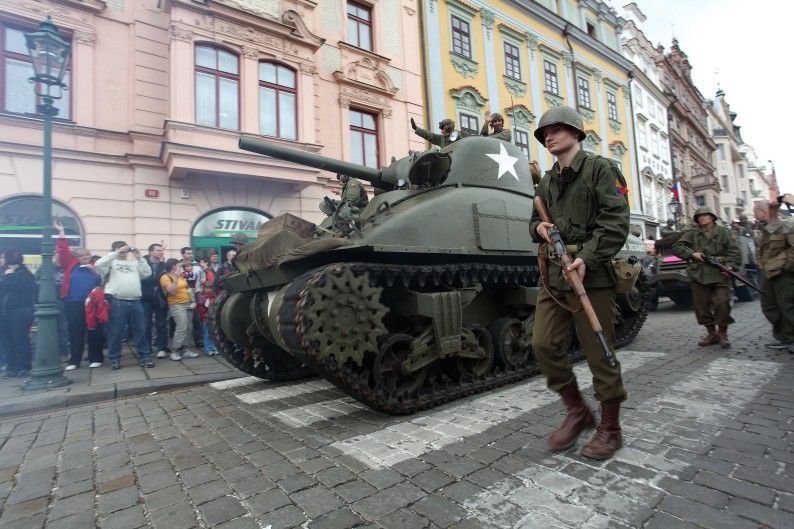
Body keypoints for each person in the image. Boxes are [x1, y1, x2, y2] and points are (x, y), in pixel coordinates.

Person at [529, 105, 630, 460]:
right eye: (545, 133)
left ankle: (611, 428)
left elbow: (616, 220)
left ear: (575, 132)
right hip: (556, 277)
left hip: (593, 276)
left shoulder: (601, 170)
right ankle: (577, 411)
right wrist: (539, 228)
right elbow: (533, 223)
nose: (549, 137)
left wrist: (588, 256)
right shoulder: (546, 182)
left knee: (600, 352)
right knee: (542, 344)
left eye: (555, 130)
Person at [672, 206, 741, 348]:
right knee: (701, 306)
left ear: (712, 216)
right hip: (699, 273)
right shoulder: (692, 233)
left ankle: (722, 333)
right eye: (699, 216)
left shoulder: (724, 232)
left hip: (719, 272)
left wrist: (730, 267)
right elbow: (677, 247)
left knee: (722, 303)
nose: (702, 217)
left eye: (705, 215)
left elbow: (734, 252)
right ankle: (711, 333)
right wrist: (692, 254)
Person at [95, 241, 154, 370]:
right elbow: (98, 264)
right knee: (115, 332)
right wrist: (116, 253)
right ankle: (114, 359)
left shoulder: (133, 263)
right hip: (117, 300)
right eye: (120, 248)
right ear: (114, 250)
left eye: (125, 248)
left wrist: (139, 257)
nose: (124, 250)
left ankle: (145, 356)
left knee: (140, 330)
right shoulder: (110, 263)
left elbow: (147, 273)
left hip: (135, 300)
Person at [54, 220, 102, 370]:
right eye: (81, 255)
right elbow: (63, 251)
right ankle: (74, 360)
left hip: (91, 303)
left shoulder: (94, 267)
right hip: (73, 302)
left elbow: (103, 284)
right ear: (75, 257)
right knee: (75, 331)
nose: (85, 257)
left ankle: (96, 357)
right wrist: (61, 232)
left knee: (94, 330)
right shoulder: (70, 265)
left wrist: (96, 273)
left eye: (87, 254)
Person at [753, 200, 794, 352]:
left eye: (755, 211)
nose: (753, 214)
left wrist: (787, 266)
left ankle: (791, 338)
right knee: (770, 306)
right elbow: (761, 249)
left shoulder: (786, 224)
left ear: (764, 211)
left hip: (783, 274)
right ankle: (785, 336)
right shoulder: (765, 227)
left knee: (788, 306)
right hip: (768, 272)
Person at [0, 251, 37, 378]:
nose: (1, 259)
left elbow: (11, 287)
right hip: (6, 312)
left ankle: (23, 367)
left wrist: (8, 276)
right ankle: (11, 367)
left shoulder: (23, 273)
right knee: (7, 341)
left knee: (20, 340)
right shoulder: (5, 272)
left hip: (19, 311)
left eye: (2, 257)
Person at [160, 258, 199, 361]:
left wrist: (190, 291)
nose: (181, 267)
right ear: (173, 266)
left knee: (188, 327)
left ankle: (185, 349)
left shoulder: (181, 275)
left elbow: (184, 287)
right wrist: (176, 277)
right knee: (181, 327)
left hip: (187, 303)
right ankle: (174, 350)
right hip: (176, 305)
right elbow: (171, 291)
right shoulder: (165, 277)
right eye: (179, 265)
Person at [142, 242, 170, 359]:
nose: (161, 252)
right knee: (145, 324)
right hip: (145, 298)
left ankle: (162, 348)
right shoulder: (143, 263)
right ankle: (146, 348)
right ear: (151, 252)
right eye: (158, 250)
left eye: (161, 251)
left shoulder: (164, 266)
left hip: (160, 298)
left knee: (161, 323)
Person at [196, 284, 219, 355]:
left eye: (210, 288)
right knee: (206, 334)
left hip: (212, 318)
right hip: (205, 319)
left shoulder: (214, 296)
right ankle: (208, 349)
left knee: (213, 334)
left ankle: (214, 348)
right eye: (207, 288)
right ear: (203, 288)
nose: (208, 289)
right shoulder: (201, 297)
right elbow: (200, 308)